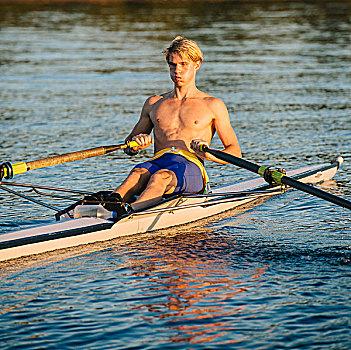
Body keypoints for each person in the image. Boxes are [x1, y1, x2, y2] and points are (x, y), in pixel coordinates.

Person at [106, 36, 241, 215]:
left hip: (190, 167)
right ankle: (107, 207)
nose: (177, 70)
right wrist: (136, 144)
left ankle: (129, 214)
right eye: (172, 65)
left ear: (197, 64)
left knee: (160, 178)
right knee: (137, 172)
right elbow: (129, 146)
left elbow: (235, 152)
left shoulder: (212, 104)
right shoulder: (154, 103)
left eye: (184, 64)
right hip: (158, 161)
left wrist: (208, 153)